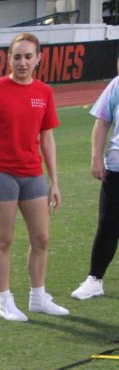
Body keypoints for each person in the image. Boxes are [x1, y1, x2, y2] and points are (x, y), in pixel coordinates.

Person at [0, 32, 68, 322]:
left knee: (42, 238)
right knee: (4, 240)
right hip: (0, 174)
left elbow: (47, 139)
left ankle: (38, 297)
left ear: (38, 58)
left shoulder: (44, 92)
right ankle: (5, 301)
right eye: (17, 56)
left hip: (33, 174)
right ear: (8, 58)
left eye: (27, 56)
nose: (22, 62)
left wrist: (55, 181)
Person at [70, 57, 119, 300]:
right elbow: (102, 123)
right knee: (108, 226)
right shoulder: (116, 85)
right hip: (117, 167)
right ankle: (95, 279)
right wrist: (96, 158)